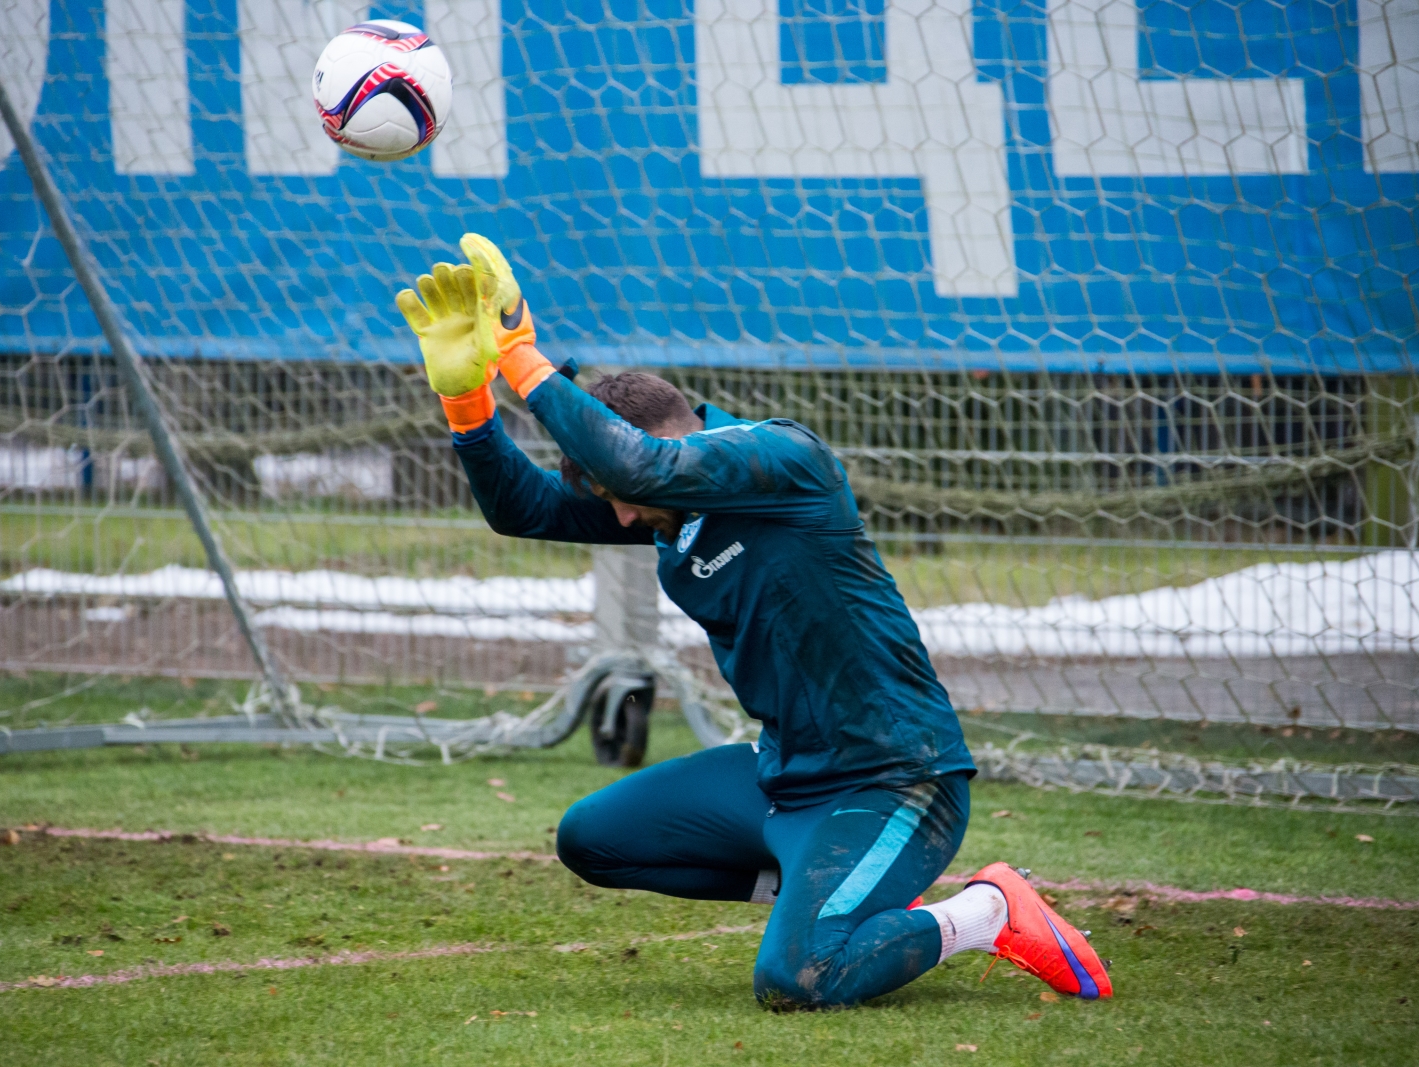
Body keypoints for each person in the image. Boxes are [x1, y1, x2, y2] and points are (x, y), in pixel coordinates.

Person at [395, 234, 1113, 1009]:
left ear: (670, 441)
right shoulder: (659, 503)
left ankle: (990, 909)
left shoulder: (778, 458)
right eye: (612, 501)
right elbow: (523, 508)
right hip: (783, 774)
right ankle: (825, 896)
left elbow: (638, 470)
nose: (625, 516)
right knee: (590, 836)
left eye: (623, 495)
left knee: (797, 978)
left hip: (897, 779)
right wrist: (468, 404)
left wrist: (523, 359)